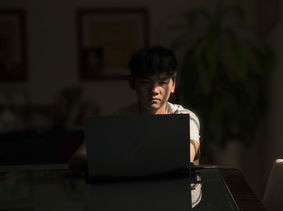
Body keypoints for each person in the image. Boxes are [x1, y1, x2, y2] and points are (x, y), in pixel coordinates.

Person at [68, 46, 200, 169]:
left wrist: (119, 161)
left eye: (162, 82)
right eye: (145, 82)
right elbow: (77, 158)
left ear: (173, 85)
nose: (154, 90)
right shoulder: (118, 120)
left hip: (174, 191)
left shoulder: (184, 117)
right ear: (132, 83)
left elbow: (185, 157)